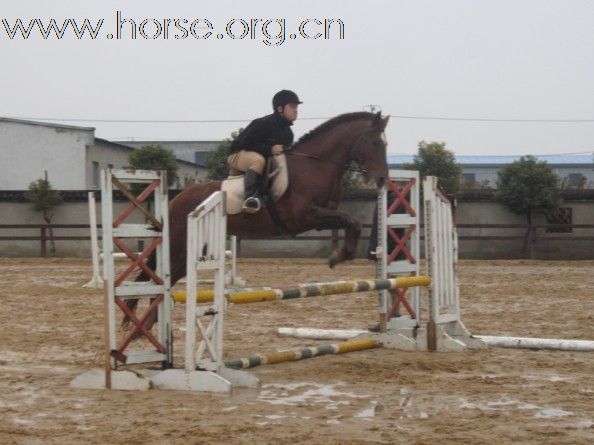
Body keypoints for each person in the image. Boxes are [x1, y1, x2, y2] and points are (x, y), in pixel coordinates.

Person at [228, 89, 302, 213]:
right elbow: (246, 144)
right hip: (238, 154)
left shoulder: (288, 133)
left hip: (260, 158)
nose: (296, 110)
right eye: (292, 106)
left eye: (296, 107)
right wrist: (270, 149)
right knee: (258, 160)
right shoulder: (262, 123)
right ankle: (250, 198)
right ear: (280, 109)